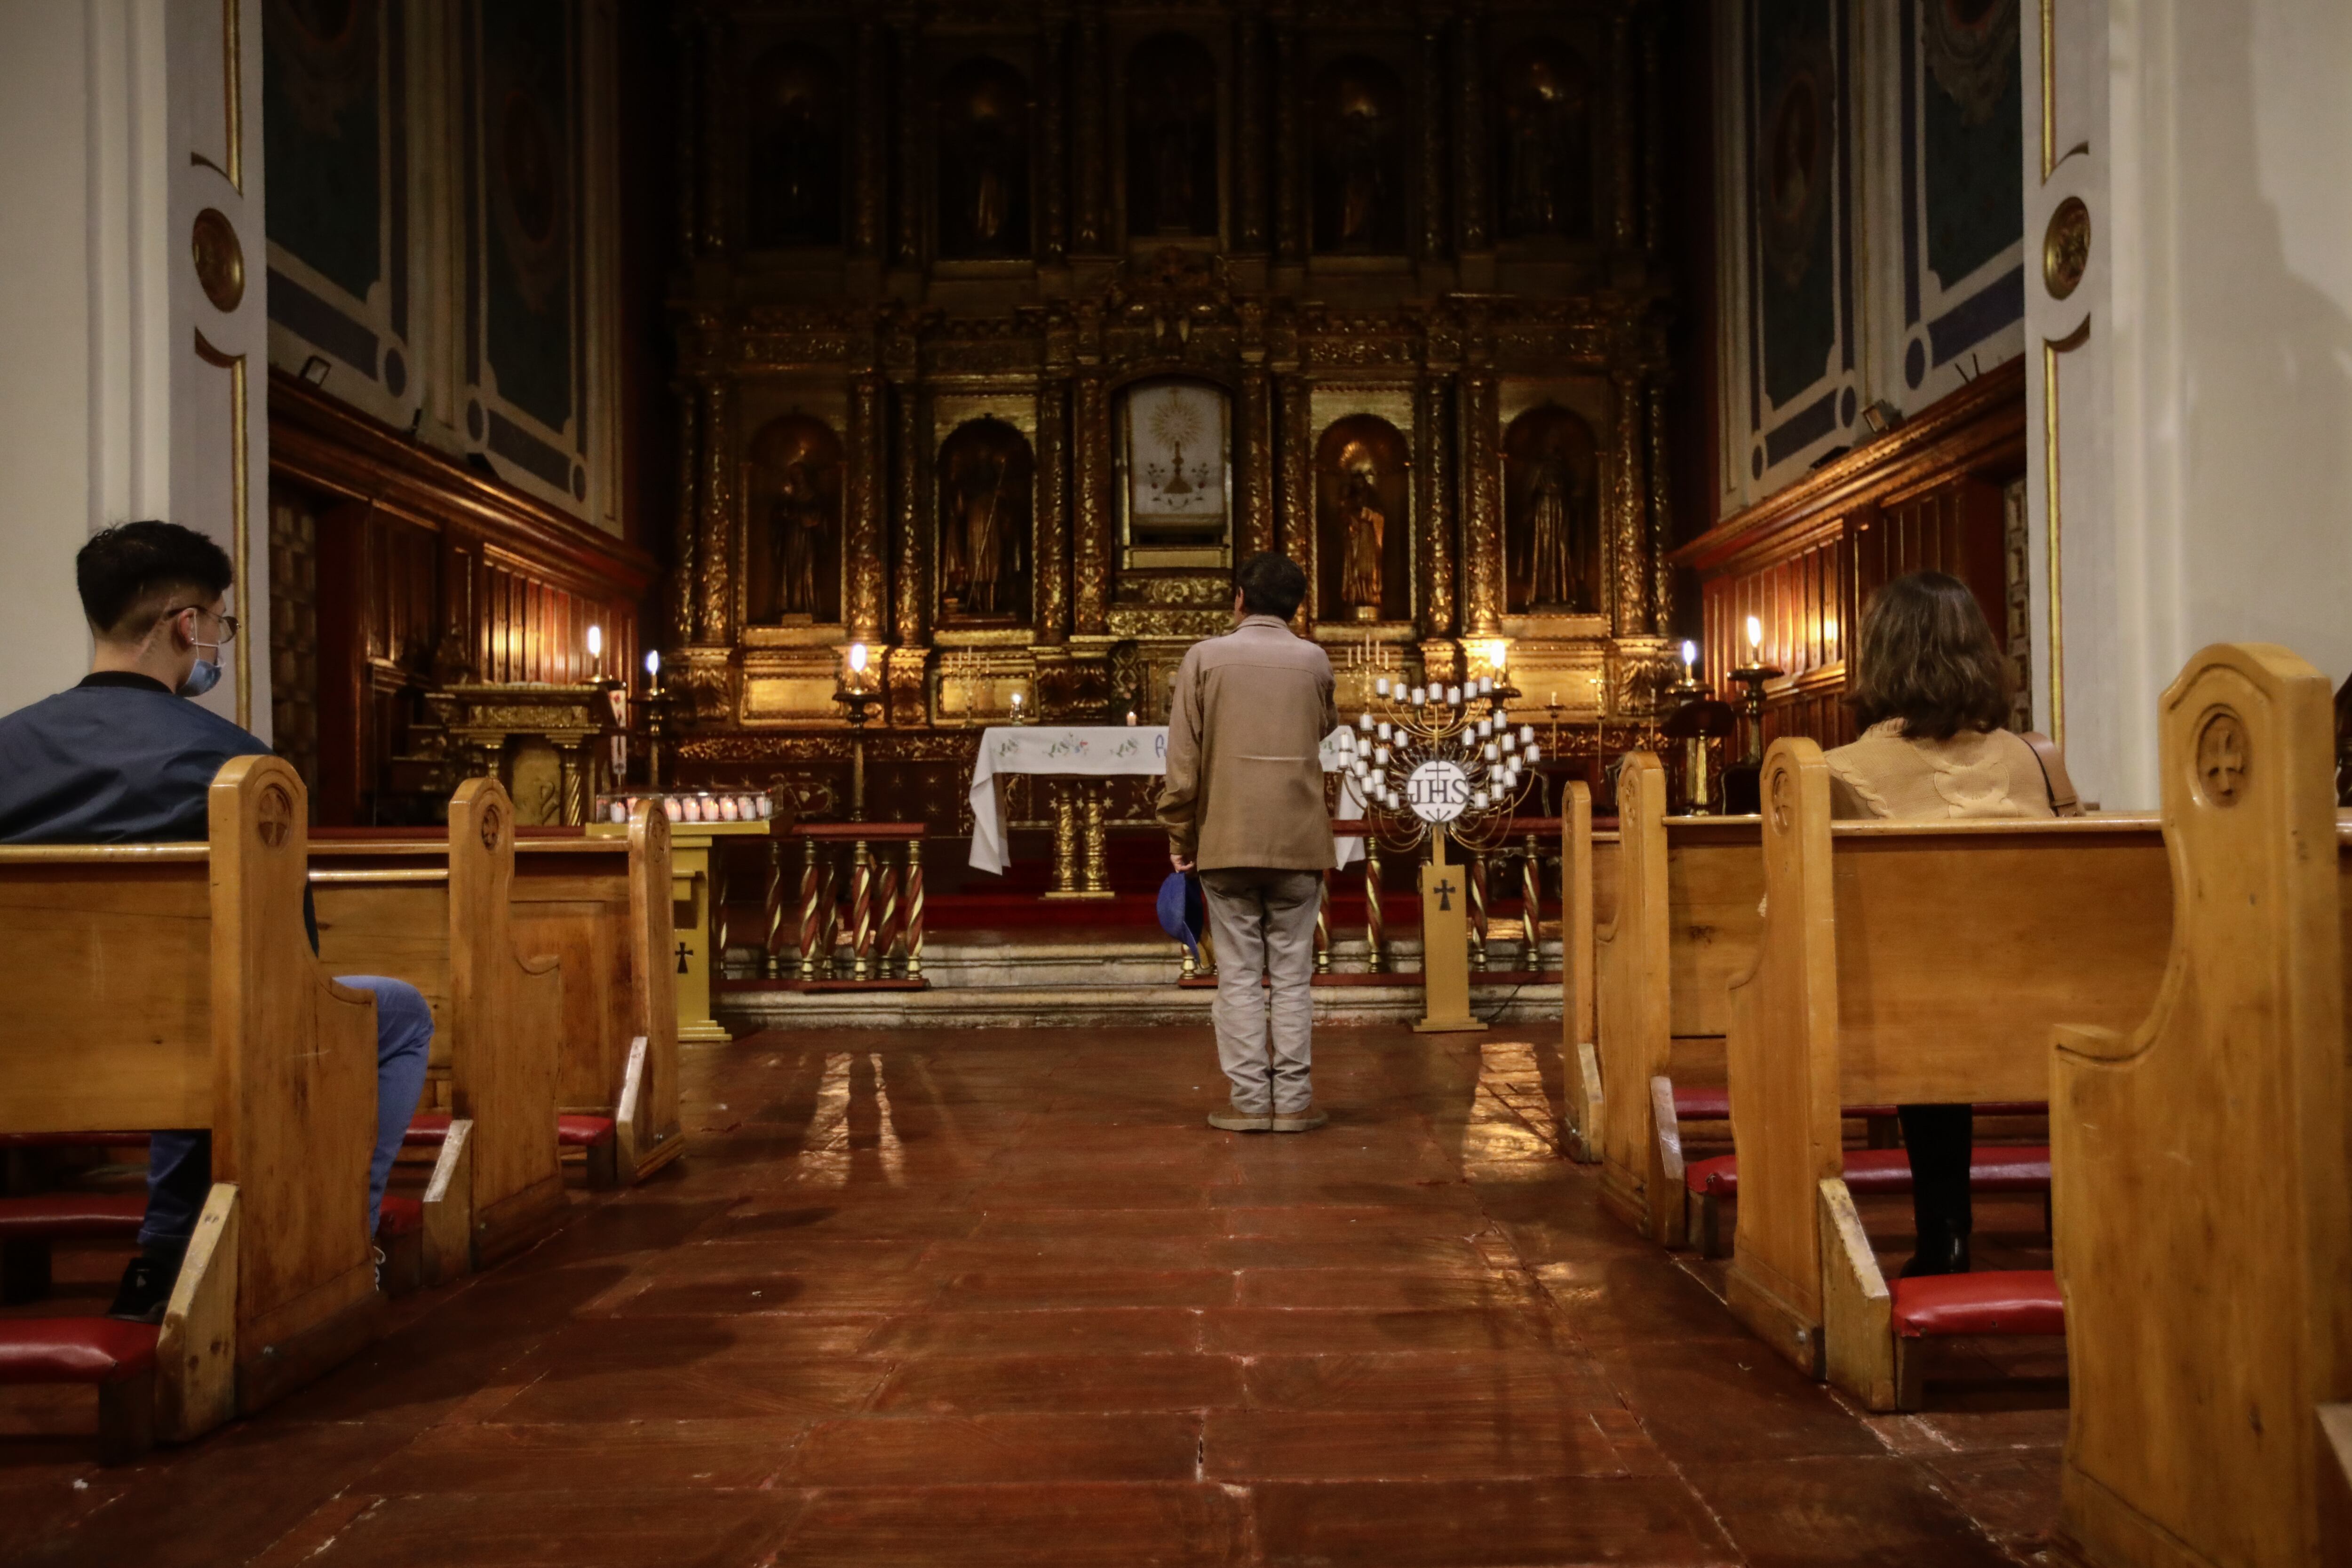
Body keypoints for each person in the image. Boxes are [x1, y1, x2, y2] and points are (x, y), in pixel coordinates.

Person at [0, 521, 431, 1321]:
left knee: (197, 1002)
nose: (215, 642)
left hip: (21, 1042)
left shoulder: (8, 745)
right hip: (190, 1033)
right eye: (219, 624)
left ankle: (167, 1255)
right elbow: (285, 956)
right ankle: (334, 1239)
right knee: (392, 1012)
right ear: (185, 626)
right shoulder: (233, 765)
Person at [1824, 570, 2060, 1277]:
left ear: (1880, 656)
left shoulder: (1837, 771)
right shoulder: (2032, 759)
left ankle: (1946, 1237)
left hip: (1919, 1013)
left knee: (1923, 1003)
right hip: (2043, 999)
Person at [1158, 551, 1337, 1133]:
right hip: (1298, 840)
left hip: (1226, 837)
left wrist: (1180, 835)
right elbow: (1325, 724)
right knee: (1291, 976)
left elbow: (1182, 762)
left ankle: (1249, 1103)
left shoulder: (1204, 657)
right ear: (1297, 605)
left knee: (1236, 974)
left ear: (1239, 598)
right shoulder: (1313, 659)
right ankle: (1292, 1102)